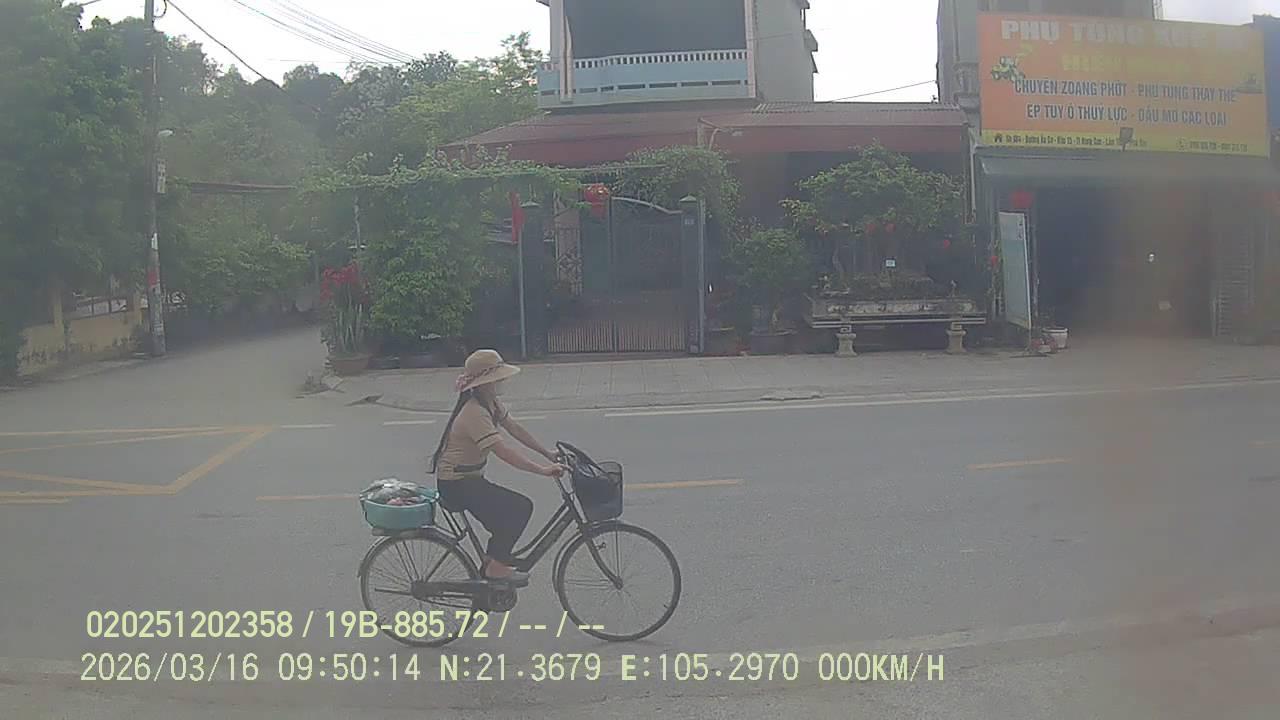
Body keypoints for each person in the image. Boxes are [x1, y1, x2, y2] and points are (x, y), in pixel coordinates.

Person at [430, 350, 565, 587]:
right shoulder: (474, 413)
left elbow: (515, 429)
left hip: (469, 479)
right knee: (520, 508)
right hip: (456, 484)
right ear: (484, 383)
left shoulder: (491, 403)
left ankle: (492, 566)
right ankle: (495, 569)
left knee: (506, 519)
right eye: (498, 378)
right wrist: (541, 470)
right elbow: (503, 451)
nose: (502, 381)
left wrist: (547, 453)